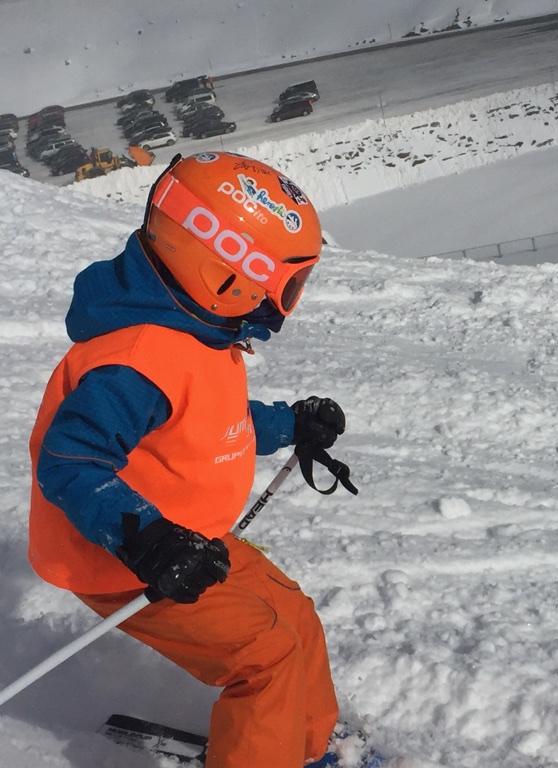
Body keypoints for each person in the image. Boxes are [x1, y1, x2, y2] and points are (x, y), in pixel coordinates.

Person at [28, 152, 355, 768]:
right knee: (267, 656)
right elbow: (70, 461)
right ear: (227, 273)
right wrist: (148, 540)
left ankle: (301, 747)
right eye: (287, 282)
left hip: (188, 539)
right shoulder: (137, 360)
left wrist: (291, 423)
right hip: (122, 560)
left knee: (295, 618)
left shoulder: (196, 333)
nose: (287, 301)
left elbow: (212, 421)